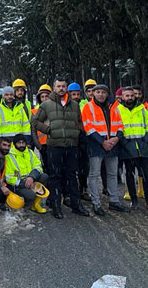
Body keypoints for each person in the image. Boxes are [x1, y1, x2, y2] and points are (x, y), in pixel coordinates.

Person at [32, 78, 90, 218]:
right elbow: (35, 122)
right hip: (54, 146)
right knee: (55, 177)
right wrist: (48, 130)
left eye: (64, 86)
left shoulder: (74, 105)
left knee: (72, 176)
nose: (61, 88)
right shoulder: (46, 105)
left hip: (71, 146)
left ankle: (76, 205)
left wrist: (79, 134)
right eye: (59, 86)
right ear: (54, 87)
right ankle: (56, 207)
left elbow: (80, 122)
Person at [83, 84, 130, 216]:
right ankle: (96, 203)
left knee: (112, 174)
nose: (100, 94)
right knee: (94, 174)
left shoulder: (114, 107)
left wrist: (117, 138)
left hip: (112, 144)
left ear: (107, 94)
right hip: (96, 144)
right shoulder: (88, 107)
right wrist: (102, 141)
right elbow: (88, 126)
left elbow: (120, 124)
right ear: (93, 93)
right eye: (98, 92)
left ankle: (114, 201)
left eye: (103, 92)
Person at [118, 87, 148, 212]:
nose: (129, 98)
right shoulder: (118, 110)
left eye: (132, 95)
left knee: (146, 175)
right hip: (127, 146)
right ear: (122, 97)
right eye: (127, 95)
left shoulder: (142, 109)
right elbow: (116, 127)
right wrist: (123, 141)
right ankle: (134, 200)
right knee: (130, 174)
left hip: (142, 146)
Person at [4, 134, 50, 213]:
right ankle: (26, 203)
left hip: (31, 179)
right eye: (19, 143)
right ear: (14, 144)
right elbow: (9, 177)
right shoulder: (9, 156)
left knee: (44, 177)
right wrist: (24, 182)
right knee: (31, 195)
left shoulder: (30, 152)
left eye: (23, 143)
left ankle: (36, 204)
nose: (21, 145)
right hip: (19, 185)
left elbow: (38, 166)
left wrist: (31, 177)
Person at [67, 82, 90, 201]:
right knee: (71, 167)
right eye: (73, 94)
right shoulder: (65, 106)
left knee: (84, 167)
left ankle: (83, 188)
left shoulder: (84, 106)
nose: (76, 96)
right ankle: (72, 190)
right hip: (70, 139)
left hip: (82, 138)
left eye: (77, 94)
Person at [31, 84, 52, 172]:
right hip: (43, 145)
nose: (44, 98)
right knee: (46, 168)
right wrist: (38, 146)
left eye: (46, 96)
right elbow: (33, 131)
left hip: (54, 143)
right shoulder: (35, 112)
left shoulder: (56, 110)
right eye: (42, 97)